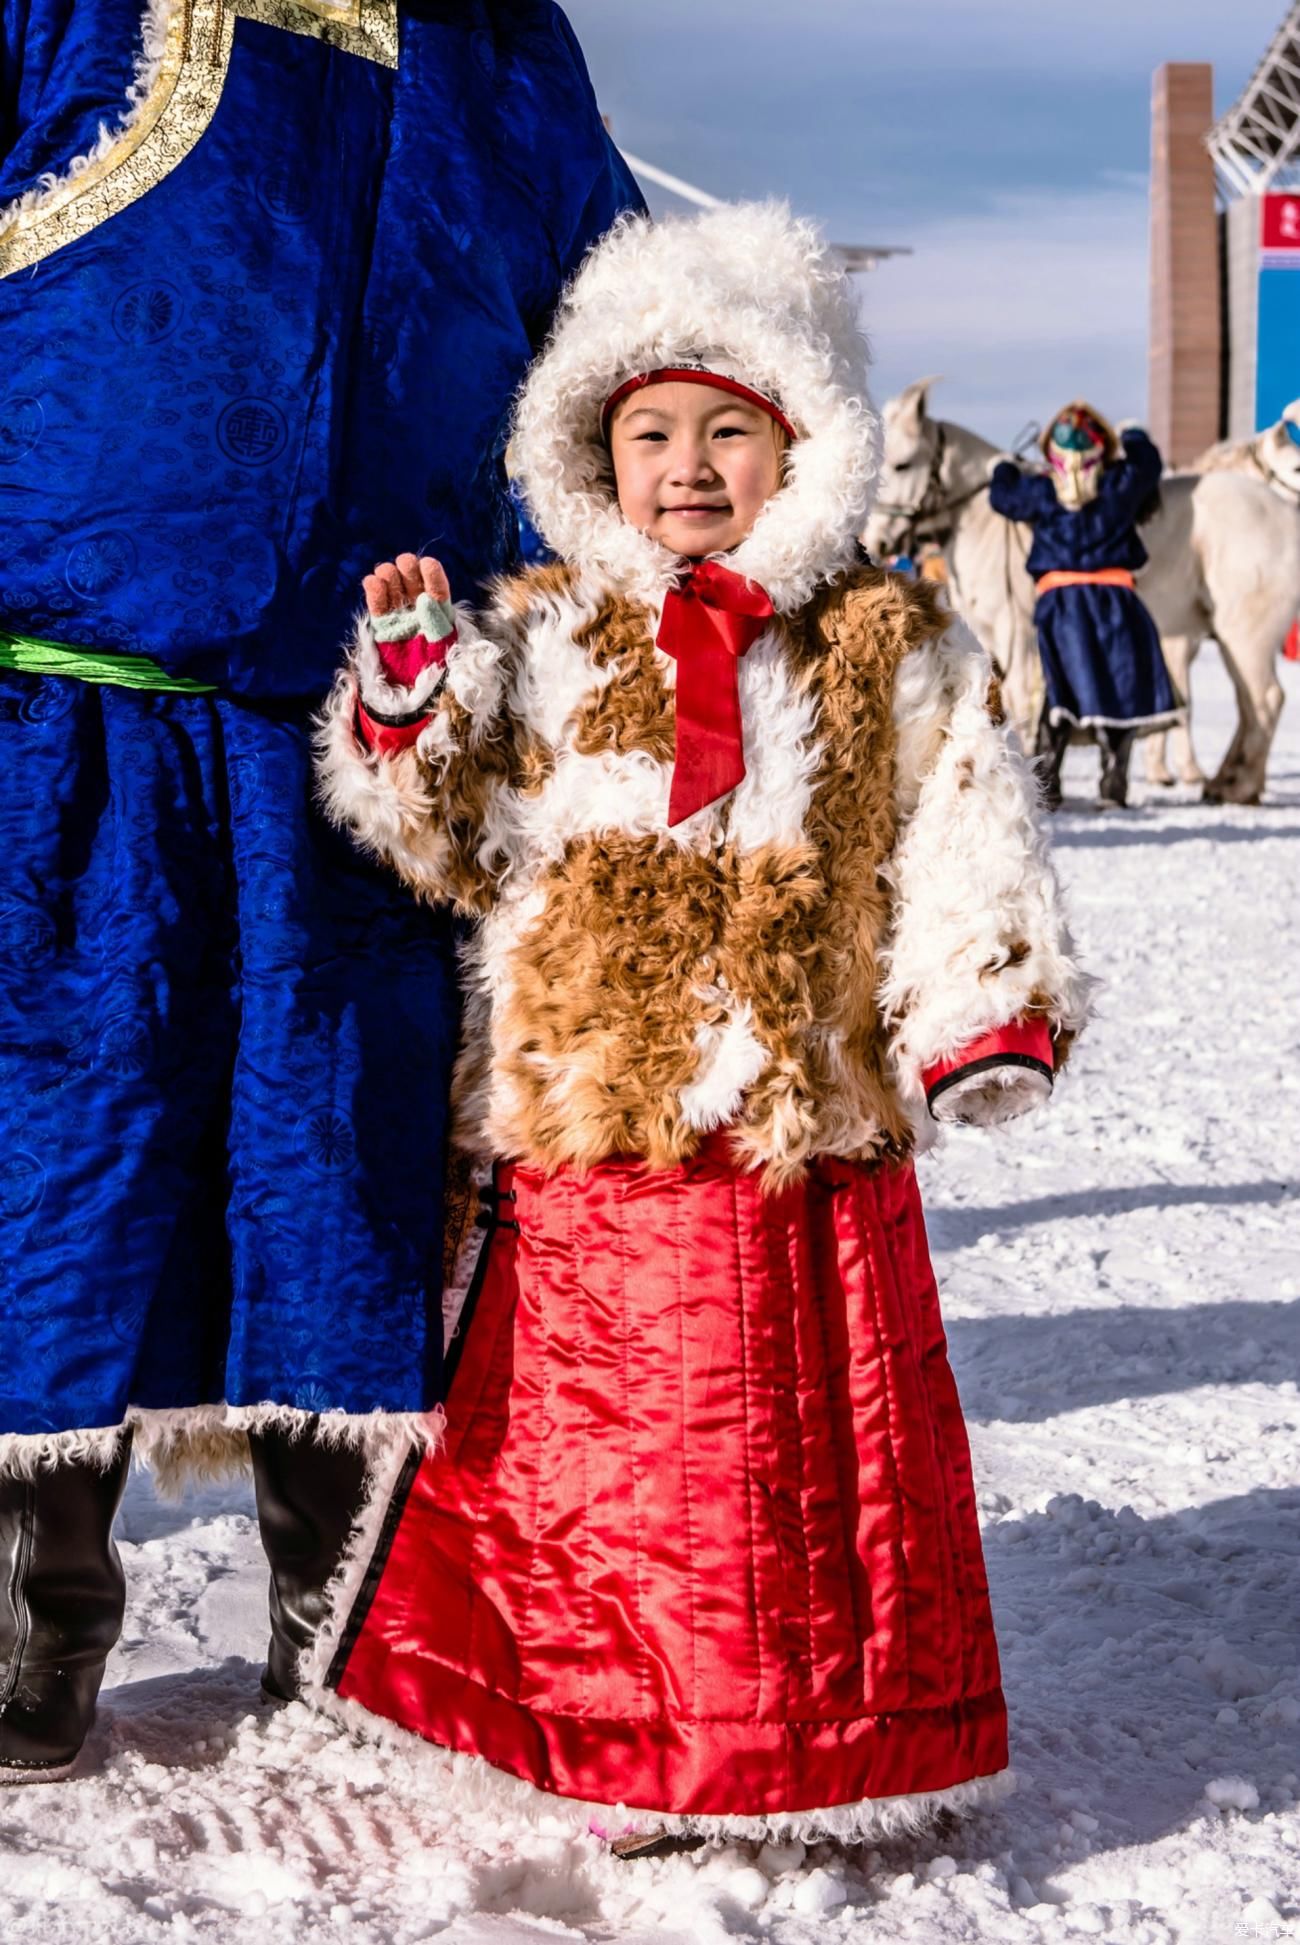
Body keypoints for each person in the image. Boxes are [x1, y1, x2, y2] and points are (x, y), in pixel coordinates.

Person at [311, 203, 1093, 1854]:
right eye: (649, 430)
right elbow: (446, 836)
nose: (684, 463)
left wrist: (985, 1003)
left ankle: (806, 1739)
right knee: (612, 1475)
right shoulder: (543, 641)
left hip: (797, 1124)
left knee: (786, 1469)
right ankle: (608, 1734)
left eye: (726, 431)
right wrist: (409, 693)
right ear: (592, 448)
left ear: (800, 441)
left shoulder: (882, 647)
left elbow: (965, 823)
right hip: (590, 1123)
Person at [0, 1, 641, 1781]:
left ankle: (346, 1624)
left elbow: (611, 342)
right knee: (52, 1168)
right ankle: (26, 1630)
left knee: (345, 1178)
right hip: (58, 699)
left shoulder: (506, 41)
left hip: (376, 732)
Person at [988, 404, 1179, 810]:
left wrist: (1005, 467)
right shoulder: (1119, 484)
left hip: (1061, 606)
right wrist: (1133, 436)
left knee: (1059, 690)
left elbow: (1002, 497)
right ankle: (1113, 784)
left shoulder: (1041, 491)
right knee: (1118, 688)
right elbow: (1148, 464)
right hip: (1117, 602)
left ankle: (1049, 785)